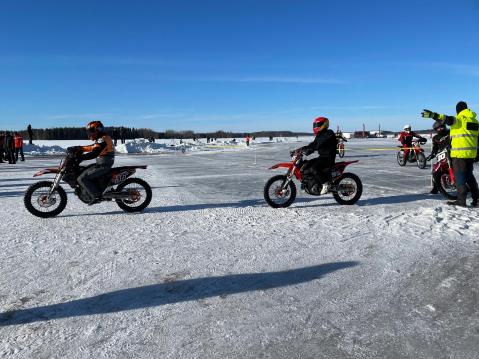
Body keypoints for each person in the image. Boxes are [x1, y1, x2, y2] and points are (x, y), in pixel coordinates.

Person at [422, 101, 479, 207]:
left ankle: (462, 201)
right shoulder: (475, 121)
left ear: (458, 111)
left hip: (459, 154)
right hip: (471, 154)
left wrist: (433, 115)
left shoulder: (460, 119)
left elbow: (446, 119)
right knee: (469, 176)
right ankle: (476, 198)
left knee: (459, 178)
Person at [295, 117, 337, 194]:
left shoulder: (329, 133)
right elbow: (313, 144)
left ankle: (325, 184)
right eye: (315, 125)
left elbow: (319, 144)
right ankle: (313, 183)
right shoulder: (319, 134)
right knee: (306, 165)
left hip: (328, 158)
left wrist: (310, 150)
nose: (315, 126)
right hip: (322, 157)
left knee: (314, 168)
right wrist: (301, 149)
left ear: (323, 124)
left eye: (317, 124)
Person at [76, 121, 115, 205]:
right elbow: (93, 147)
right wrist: (80, 148)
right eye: (88, 131)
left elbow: (95, 152)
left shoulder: (103, 138)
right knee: (84, 171)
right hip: (101, 163)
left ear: (97, 130)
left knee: (82, 178)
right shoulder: (102, 138)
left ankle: (96, 196)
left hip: (104, 165)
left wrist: (81, 157)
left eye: (91, 131)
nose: (89, 133)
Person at [426, 121, 451, 194]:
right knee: (435, 170)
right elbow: (435, 148)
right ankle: (436, 187)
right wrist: (432, 155)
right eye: (438, 128)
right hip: (442, 157)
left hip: (453, 154)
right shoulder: (435, 138)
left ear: (445, 126)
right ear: (436, 129)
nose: (440, 129)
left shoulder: (451, 132)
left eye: (441, 127)